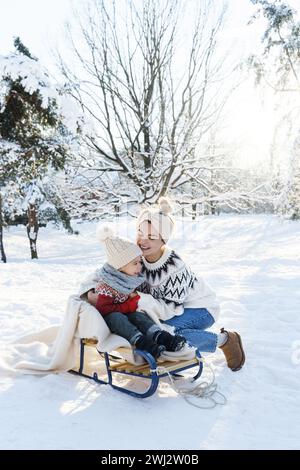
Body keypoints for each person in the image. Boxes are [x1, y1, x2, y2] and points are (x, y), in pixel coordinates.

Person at [134, 197, 246, 372]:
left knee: (168, 334)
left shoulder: (174, 266)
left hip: (202, 308)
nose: (143, 240)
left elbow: (172, 308)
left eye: (151, 237)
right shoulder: (137, 259)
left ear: (164, 240)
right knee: (155, 331)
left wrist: (141, 300)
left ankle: (225, 340)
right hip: (172, 309)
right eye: (140, 233)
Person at [91, 225, 187, 359]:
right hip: (114, 320)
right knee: (117, 318)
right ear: (120, 266)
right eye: (135, 263)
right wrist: (130, 305)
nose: (140, 267)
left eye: (140, 262)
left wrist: (132, 306)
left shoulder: (130, 278)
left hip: (129, 315)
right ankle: (141, 342)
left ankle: (161, 336)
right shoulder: (108, 285)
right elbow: (104, 310)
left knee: (139, 316)